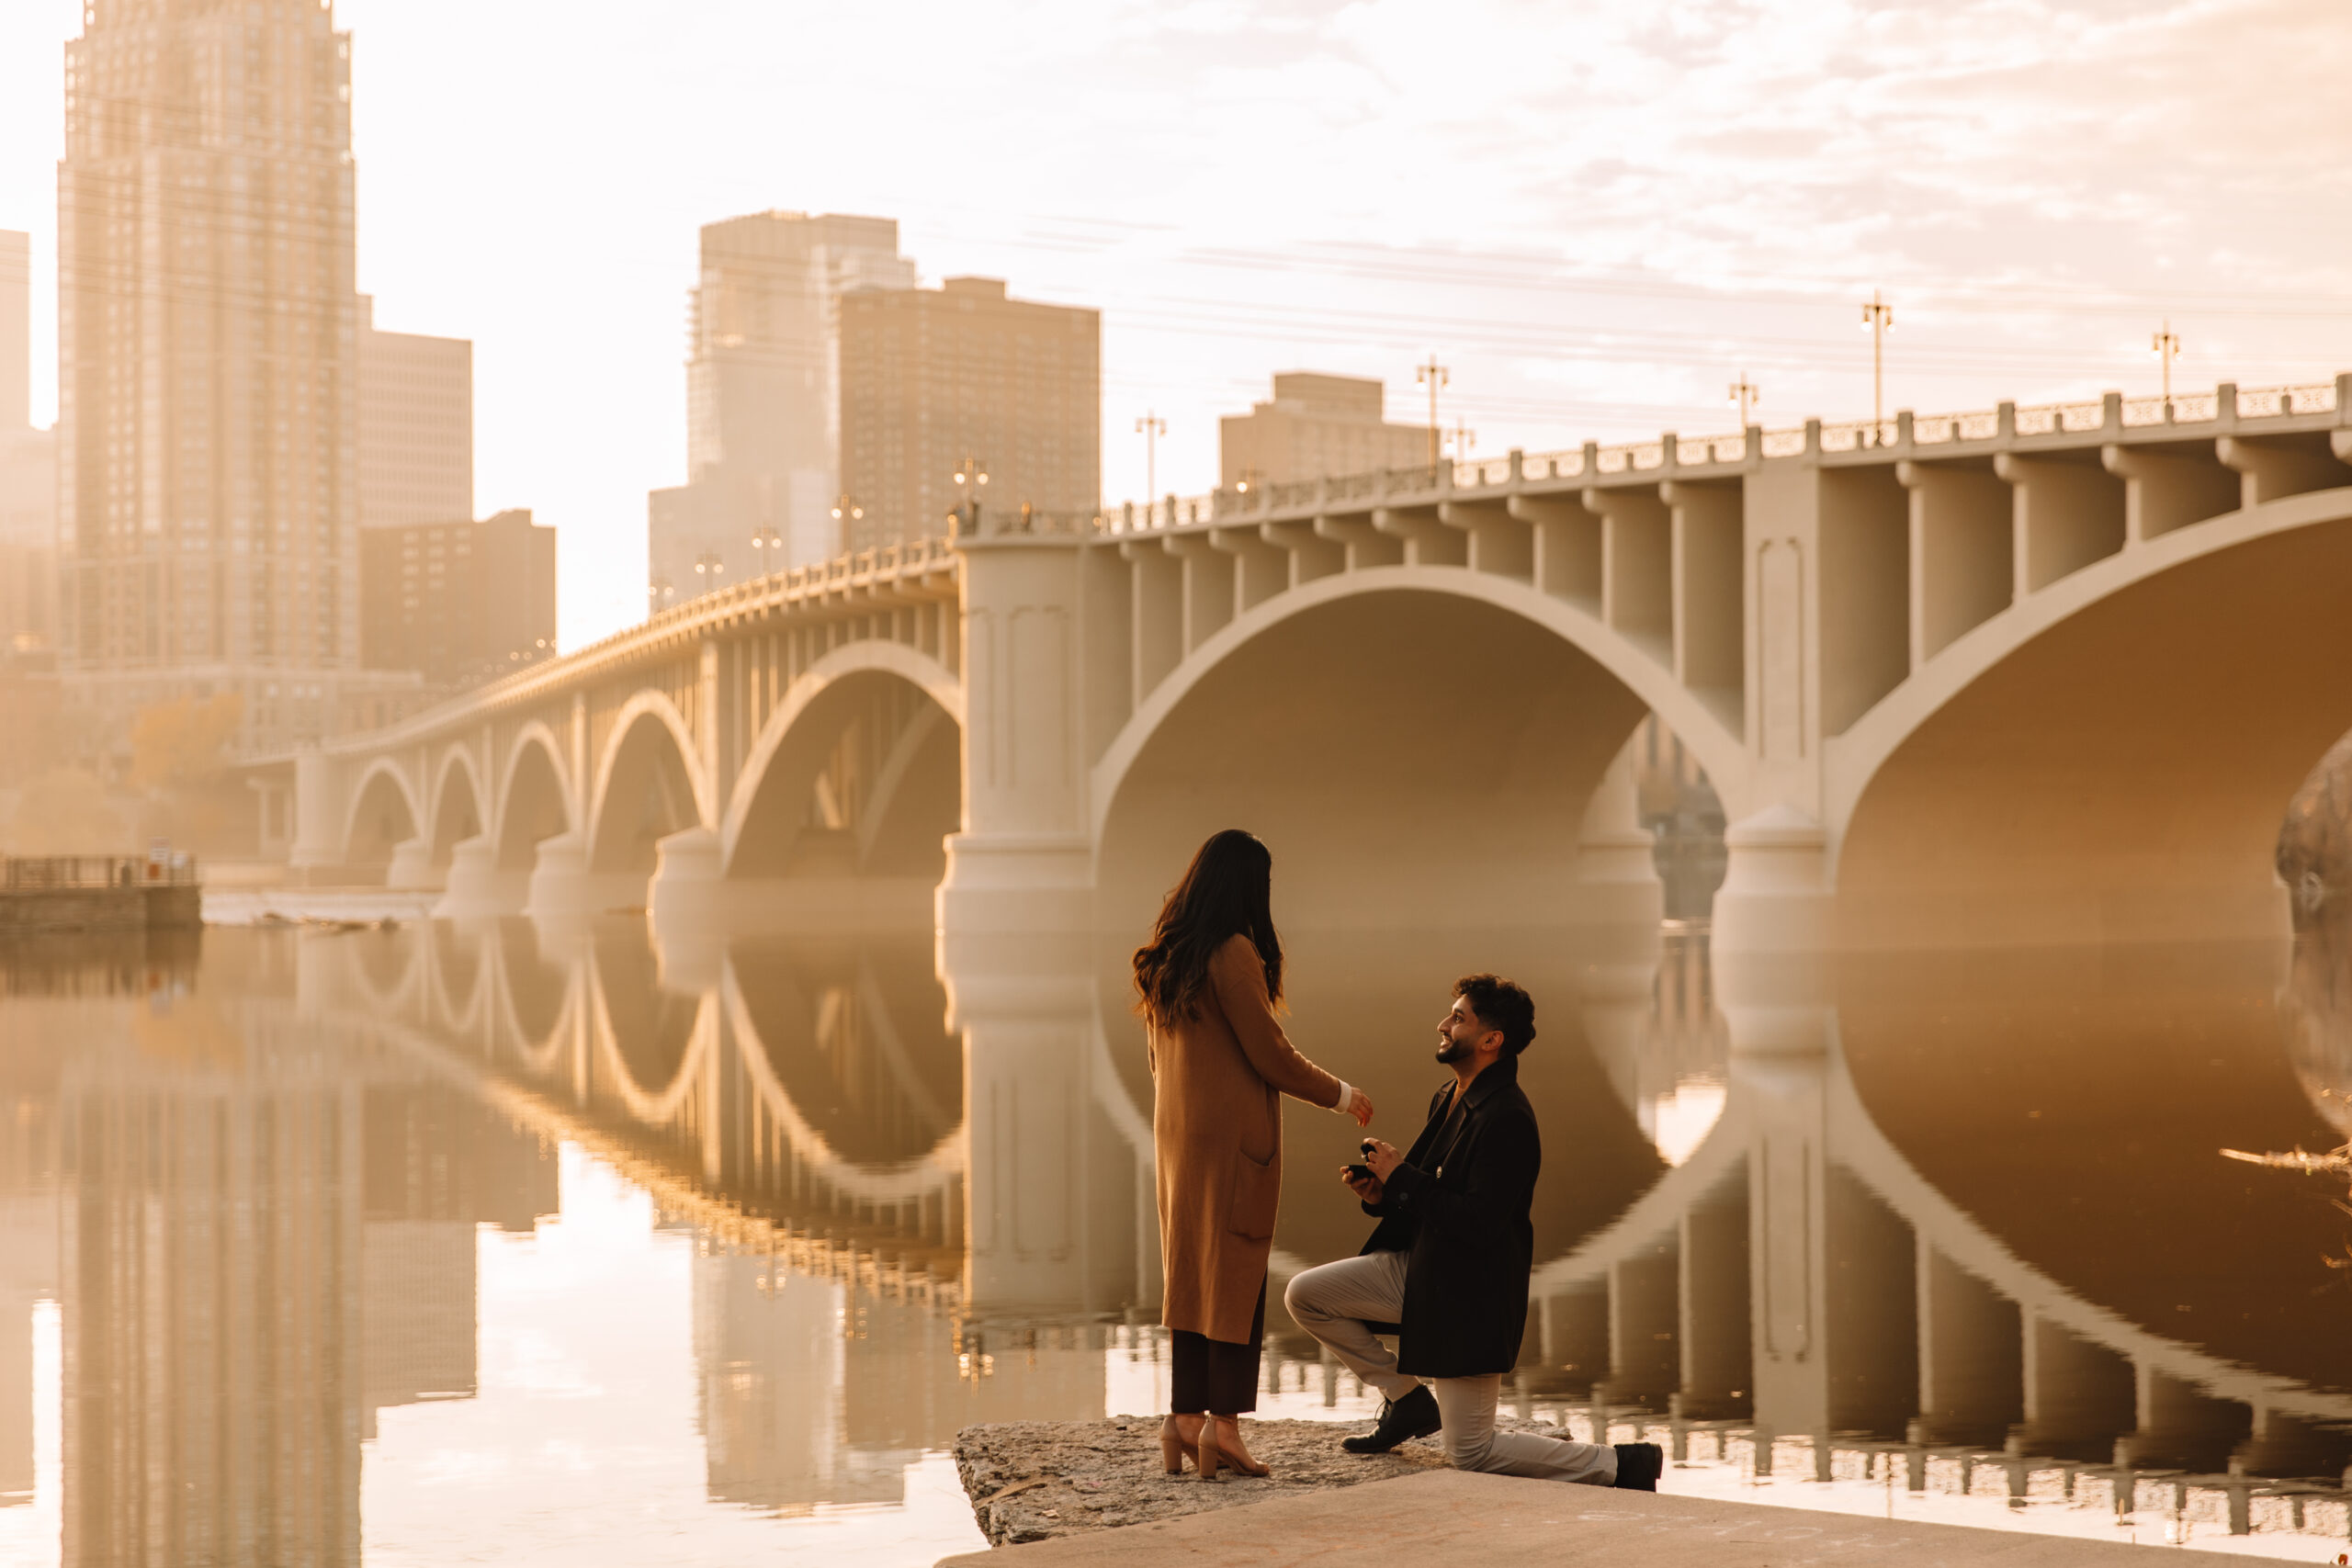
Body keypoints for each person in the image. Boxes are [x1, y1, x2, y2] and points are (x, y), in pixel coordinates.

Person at [1283, 974, 1664, 1492]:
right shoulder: (1450, 1095)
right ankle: (1409, 1401)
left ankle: (1623, 1465)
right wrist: (1382, 1194)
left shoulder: (1507, 1118)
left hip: (1468, 1295)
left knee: (1472, 1452)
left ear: (1492, 1041)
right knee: (1307, 1294)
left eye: (1458, 1017)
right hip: (1424, 1271)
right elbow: (1423, 1197)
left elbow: (1479, 1223)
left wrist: (1404, 1178)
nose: (1443, 1025)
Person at [1136, 829, 1374, 1481]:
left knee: (1191, 1278)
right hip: (1233, 1145)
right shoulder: (1233, 952)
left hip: (1178, 1140)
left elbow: (1158, 1060)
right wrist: (1341, 1093)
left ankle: (1183, 1420)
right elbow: (1268, 1051)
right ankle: (1225, 1429)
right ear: (1246, 886)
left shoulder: (1168, 956)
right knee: (1236, 1279)